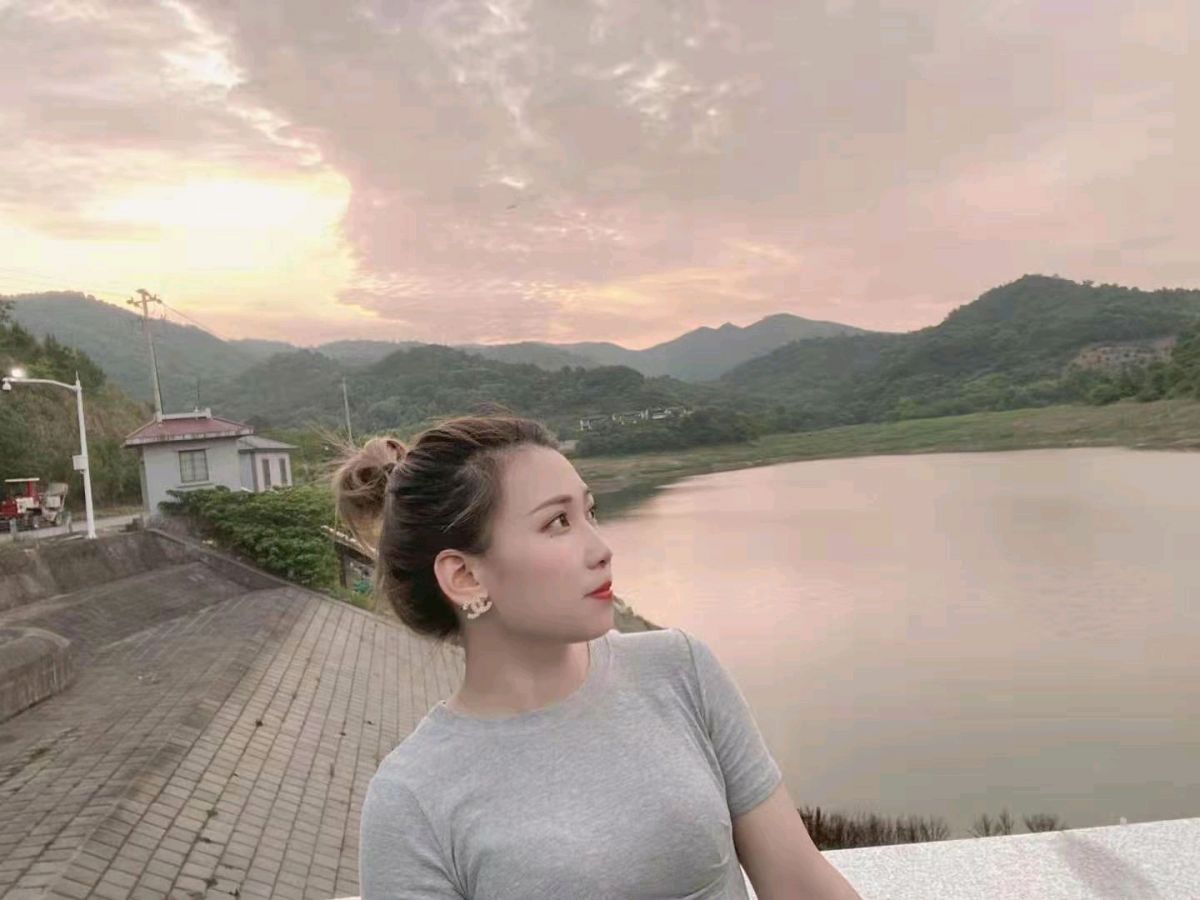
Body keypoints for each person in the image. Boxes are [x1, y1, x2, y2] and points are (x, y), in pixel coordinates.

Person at [336, 414, 861, 899]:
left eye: (589, 513)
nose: (601, 548)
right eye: (557, 523)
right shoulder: (412, 798)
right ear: (465, 576)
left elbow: (800, 882)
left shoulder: (679, 670)